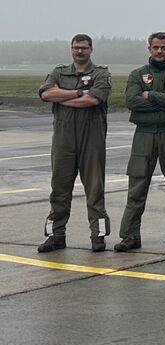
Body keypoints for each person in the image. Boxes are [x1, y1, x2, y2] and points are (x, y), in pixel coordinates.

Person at [116, 32, 165, 251]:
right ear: (149, 49)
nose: (159, 51)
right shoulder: (137, 75)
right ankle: (130, 235)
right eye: (155, 47)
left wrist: (150, 96)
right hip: (144, 134)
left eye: (163, 47)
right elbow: (132, 101)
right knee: (137, 186)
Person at [36, 34, 112, 252]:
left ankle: (97, 236)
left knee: (95, 189)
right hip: (63, 139)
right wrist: (78, 92)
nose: (80, 52)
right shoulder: (59, 72)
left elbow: (93, 99)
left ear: (91, 49)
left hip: (92, 139)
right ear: (71, 49)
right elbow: (46, 94)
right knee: (59, 189)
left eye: (84, 48)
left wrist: (63, 97)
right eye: (76, 48)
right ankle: (55, 235)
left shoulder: (101, 73)